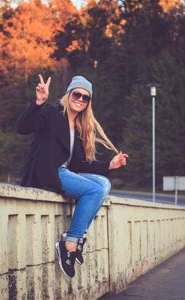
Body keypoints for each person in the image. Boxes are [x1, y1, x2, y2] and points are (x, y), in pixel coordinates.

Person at [16, 74, 128, 278]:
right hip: (48, 173)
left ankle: (76, 236)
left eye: (85, 98)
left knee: (103, 184)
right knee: (94, 190)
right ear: (69, 94)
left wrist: (109, 165)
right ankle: (70, 244)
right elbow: (22, 128)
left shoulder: (78, 127)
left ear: (88, 103)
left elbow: (79, 164)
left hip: (66, 173)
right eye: (77, 94)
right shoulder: (51, 113)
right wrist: (38, 102)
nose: (80, 99)